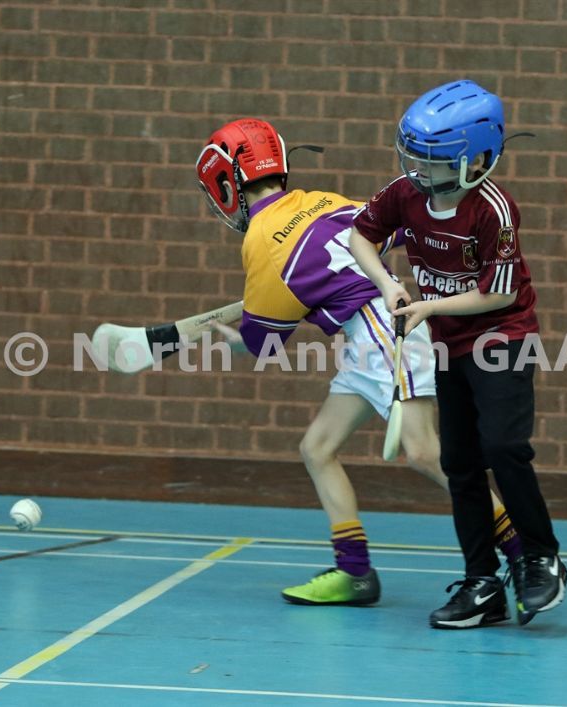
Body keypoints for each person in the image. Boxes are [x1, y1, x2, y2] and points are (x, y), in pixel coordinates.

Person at [195, 117, 522, 607]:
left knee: (425, 453)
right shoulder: (321, 201)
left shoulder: (260, 239)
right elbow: (391, 233)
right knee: (318, 447)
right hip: (367, 338)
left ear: (226, 185)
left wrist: (238, 341)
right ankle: (354, 571)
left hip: (386, 334)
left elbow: (265, 342)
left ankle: (522, 551)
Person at [349, 80, 567, 628]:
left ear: (477, 160)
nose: (420, 170)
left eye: (435, 160)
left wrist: (428, 306)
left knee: (504, 446)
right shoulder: (404, 193)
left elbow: (499, 294)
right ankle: (482, 582)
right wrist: (387, 284)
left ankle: (541, 556)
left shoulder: (494, 210)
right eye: (415, 158)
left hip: (501, 337)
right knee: (461, 464)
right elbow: (360, 237)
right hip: (448, 341)